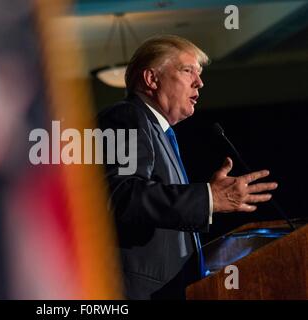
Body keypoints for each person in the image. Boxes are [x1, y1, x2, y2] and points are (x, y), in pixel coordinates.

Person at [97, 35, 278, 299]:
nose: (200, 82)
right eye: (187, 71)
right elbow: (122, 195)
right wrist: (208, 198)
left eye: (199, 73)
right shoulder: (126, 117)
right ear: (151, 79)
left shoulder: (159, 132)